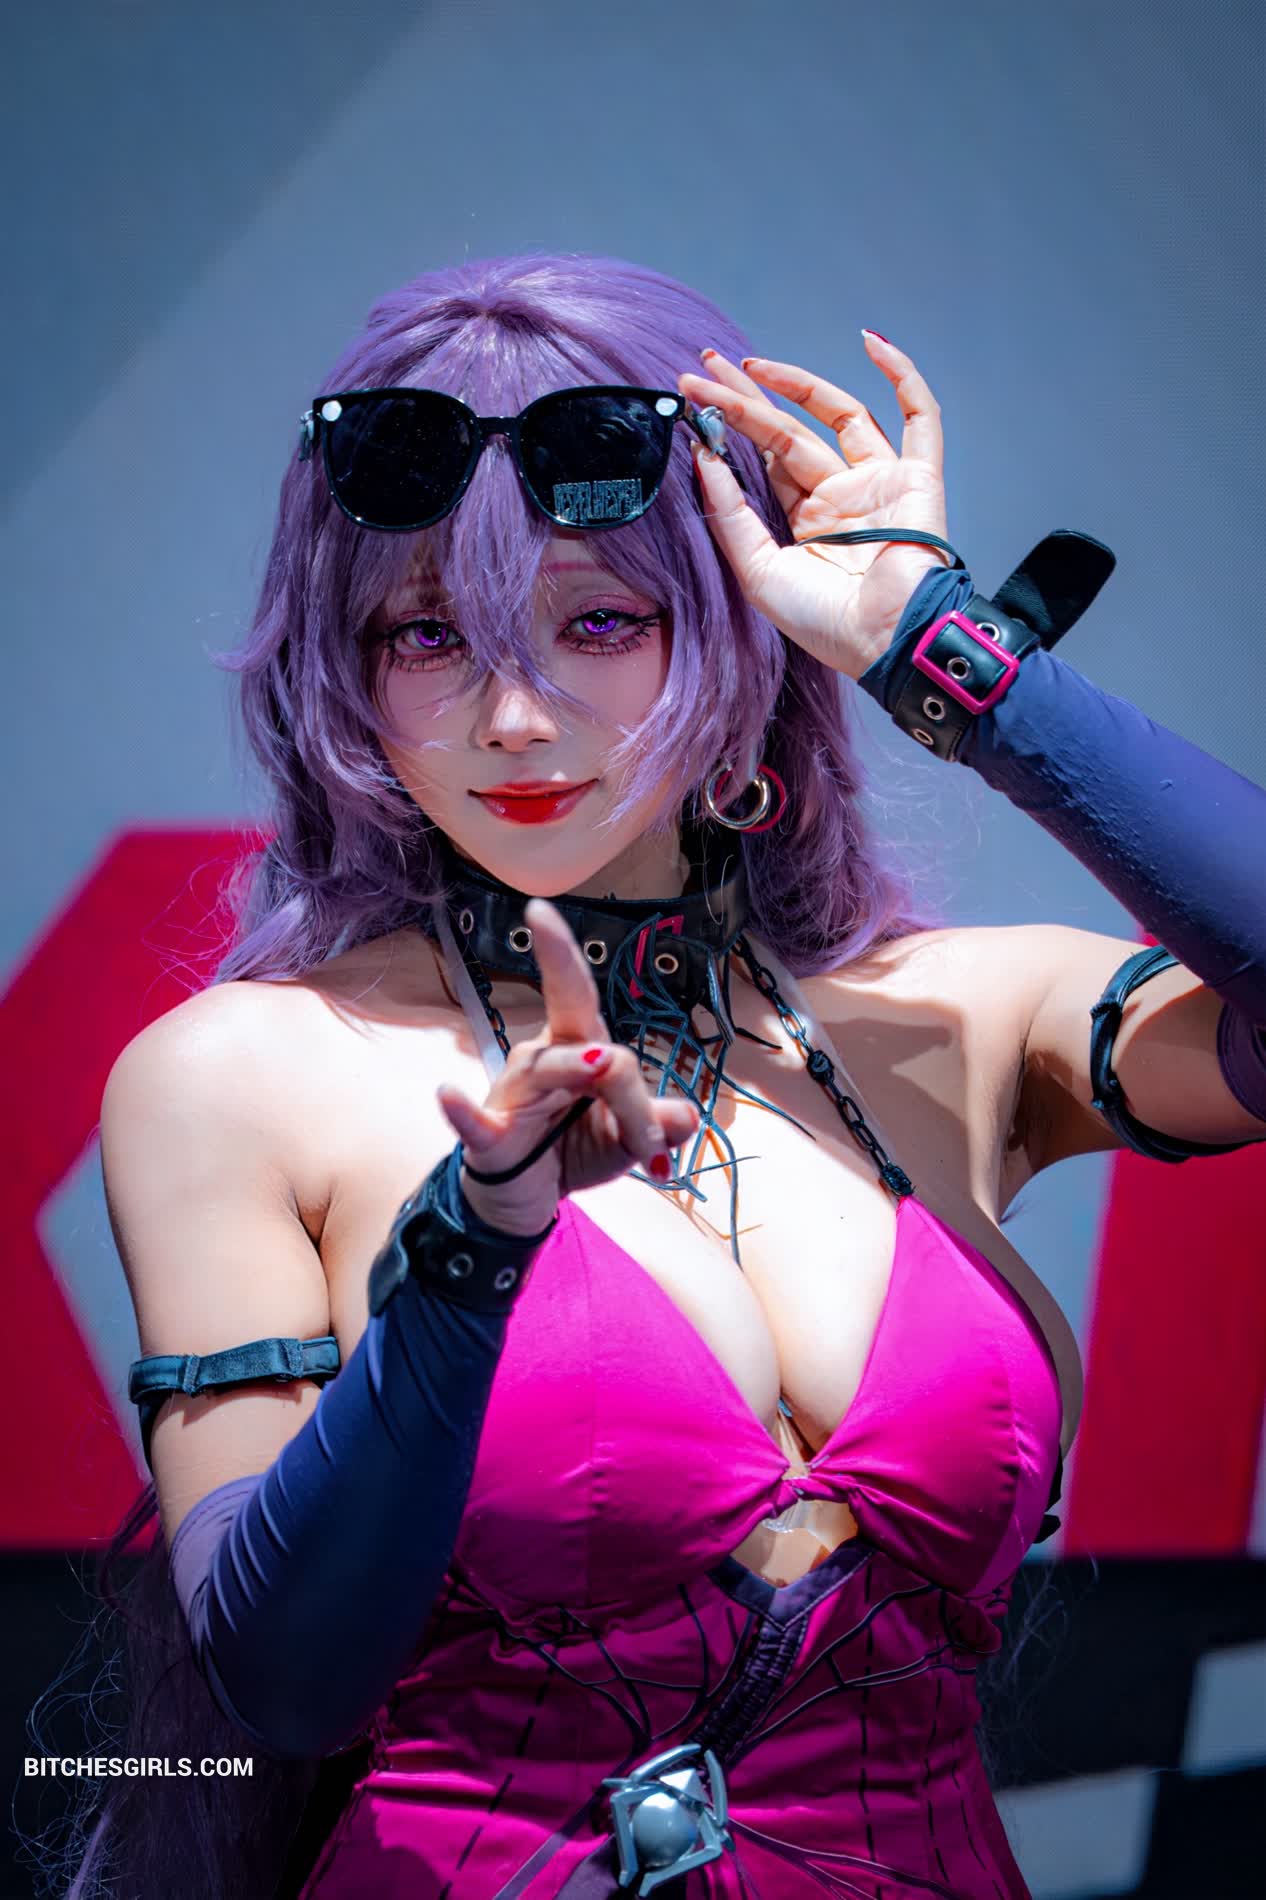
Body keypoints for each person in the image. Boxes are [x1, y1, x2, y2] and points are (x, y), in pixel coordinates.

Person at [37, 254, 1266, 1900]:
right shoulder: (239, 1077)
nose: (513, 714)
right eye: (425, 633)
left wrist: (944, 656)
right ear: (343, 666)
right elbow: (287, 1682)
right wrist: (469, 1254)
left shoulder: (963, 1020)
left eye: (601, 620)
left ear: (743, 624)